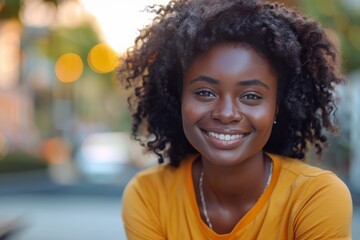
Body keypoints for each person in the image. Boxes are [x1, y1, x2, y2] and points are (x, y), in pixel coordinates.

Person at [118, 0, 353, 239]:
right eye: (205, 93)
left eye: (251, 96)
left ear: (277, 109)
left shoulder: (316, 198)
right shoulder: (148, 195)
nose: (226, 113)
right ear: (179, 99)